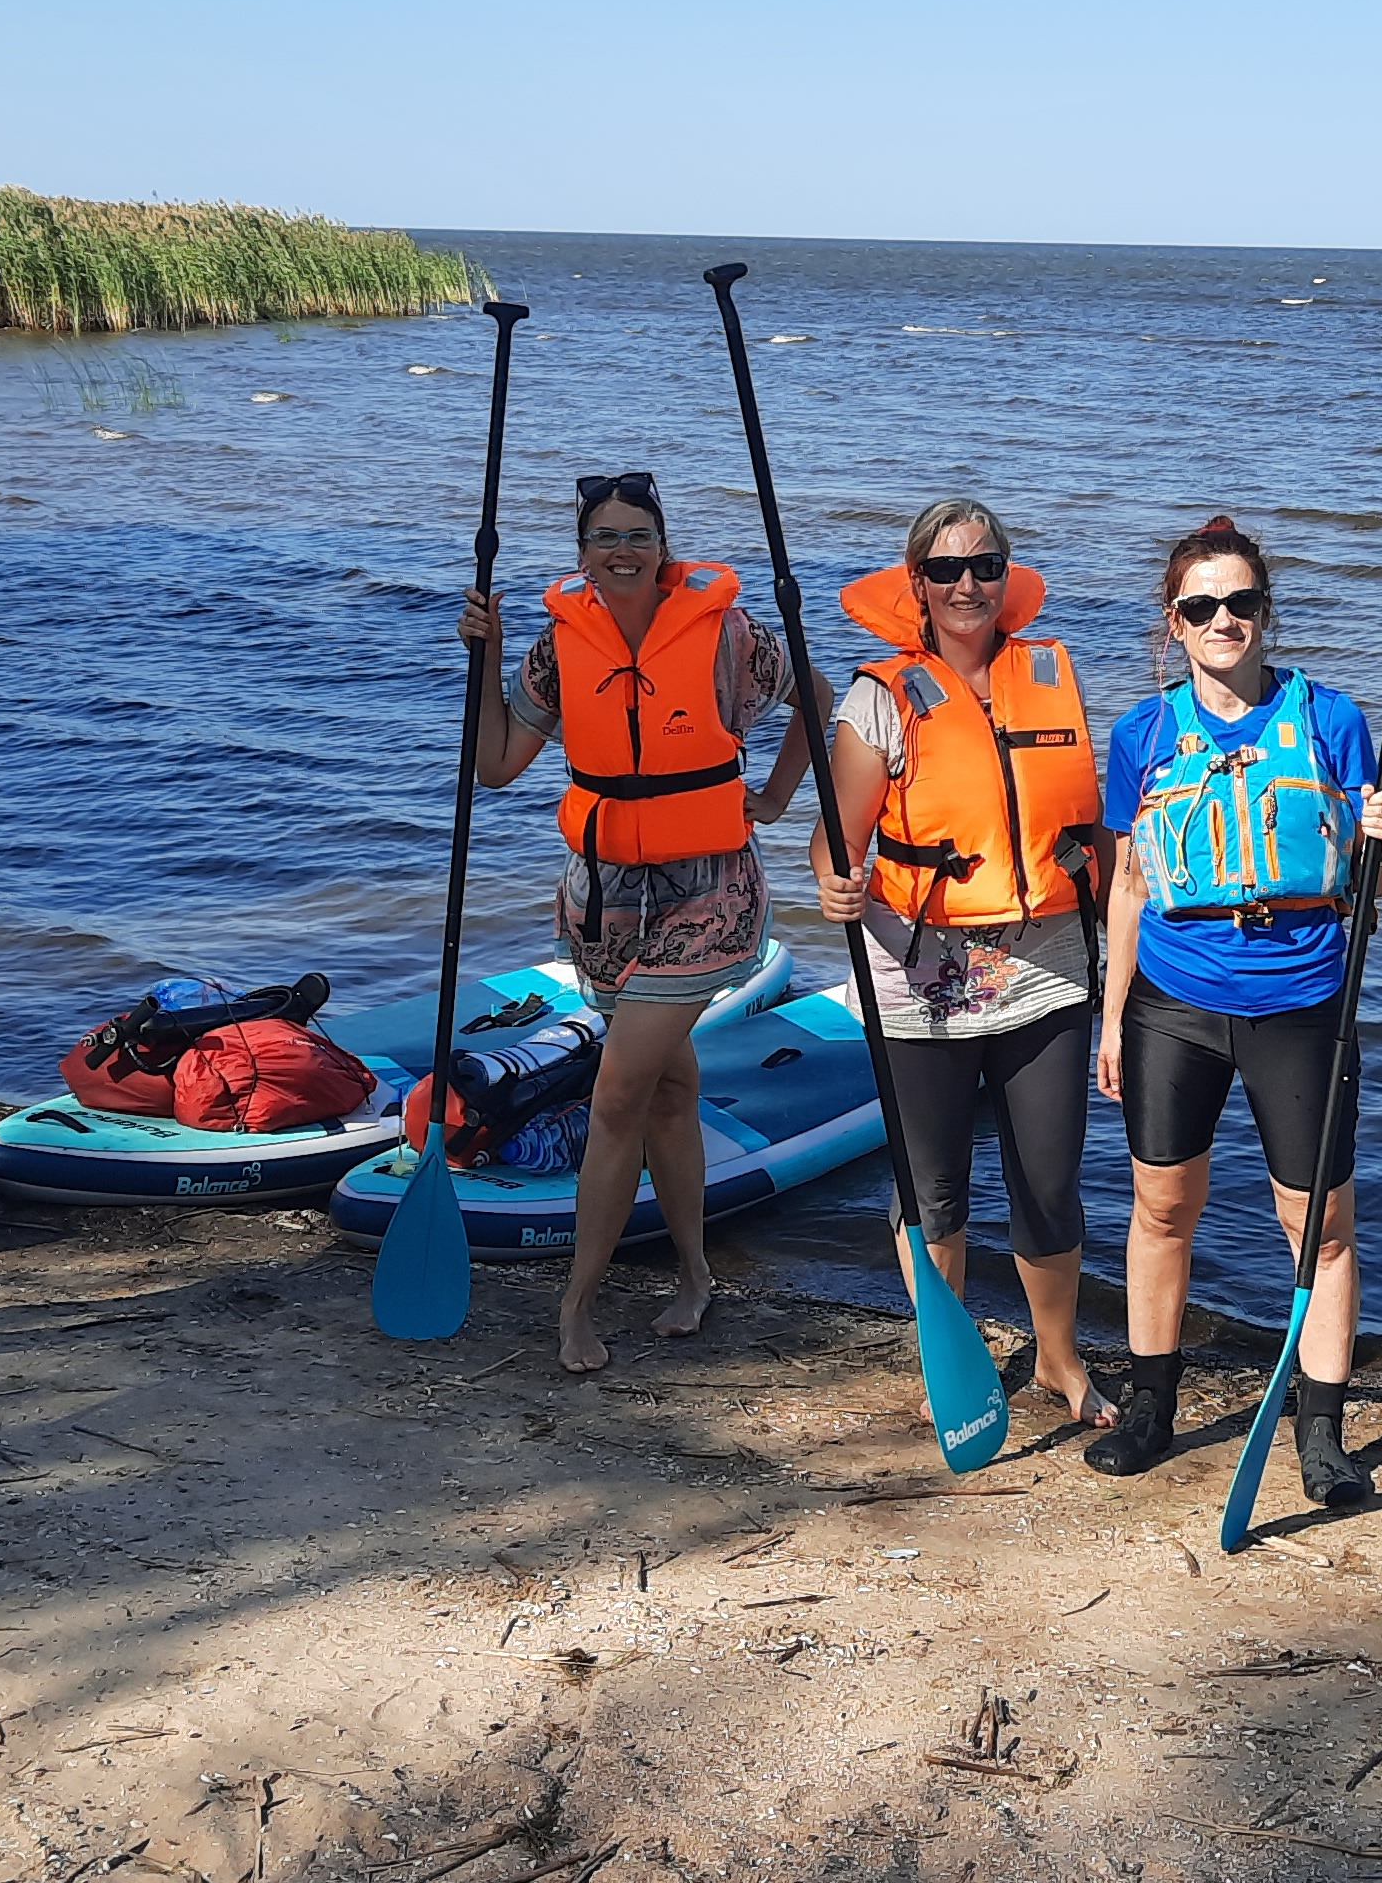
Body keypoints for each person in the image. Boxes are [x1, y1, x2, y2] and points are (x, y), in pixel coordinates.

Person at [457, 469, 815, 1373]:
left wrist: (774, 798)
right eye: (603, 537)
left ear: (664, 550)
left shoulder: (724, 629)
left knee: (615, 1096)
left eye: (637, 536)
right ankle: (695, 1276)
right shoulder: (555, 643)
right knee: (664, 1091)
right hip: (602, 898)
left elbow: (814, 693)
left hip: (707, 893)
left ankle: (576, 1305)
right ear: (581, 554)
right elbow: (496, 765)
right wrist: (485, 657)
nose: (620, 550)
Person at [1090, 514, 1382, 1496]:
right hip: (1173, 1004)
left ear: (1267, 615)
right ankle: (1151, 1406)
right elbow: (1130, 882)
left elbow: (1371, 885)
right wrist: (1109, 1019)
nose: (1224, 619)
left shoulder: (1332, 720)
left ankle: (1320, 1433)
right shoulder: (1142, 734)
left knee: (1318, 1225)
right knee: (1161, 1208)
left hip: (1303, 999)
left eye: (1241, 602)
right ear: (1174, 626)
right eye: (1202, 606)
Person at [808, 497, 1113, 1431]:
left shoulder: (1052, 673)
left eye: (985, 565)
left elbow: (1095, 823)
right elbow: (834, 844)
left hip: (1047, 964)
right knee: (933, 1185)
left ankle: (1059, 1358)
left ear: (1007, 575)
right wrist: (833, 888)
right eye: (946, 570)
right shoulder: (881, 697)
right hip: (921, 974)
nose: (968, 585)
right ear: (919, 585)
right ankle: (949, 1348)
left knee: (1048, 1179)